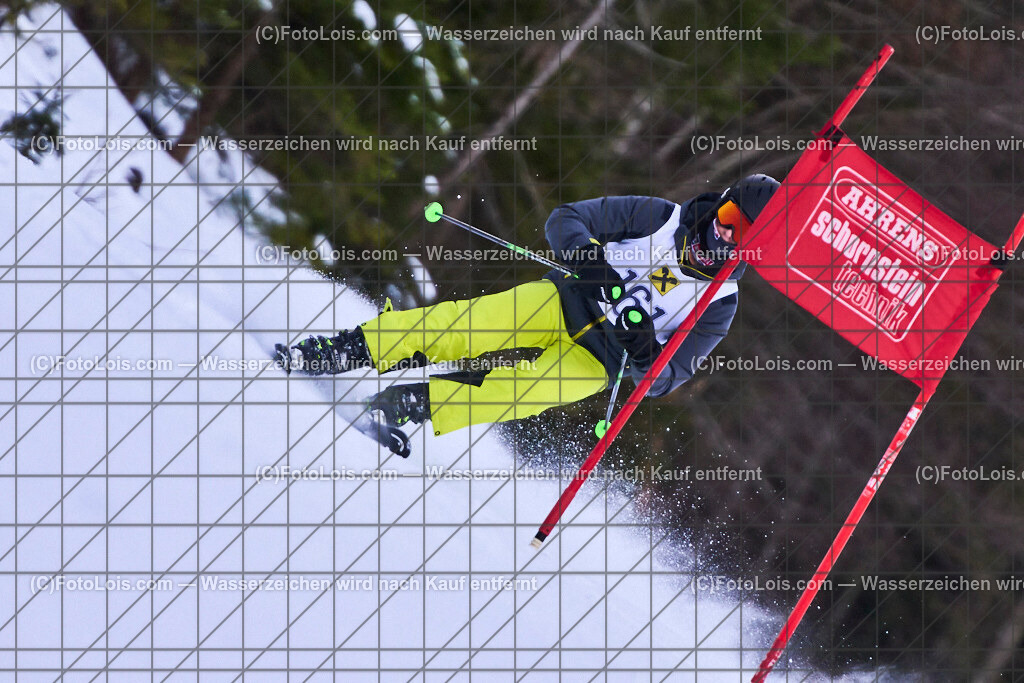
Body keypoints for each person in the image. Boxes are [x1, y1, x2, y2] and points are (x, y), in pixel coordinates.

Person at [276, 174, 780, 437]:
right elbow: (567, 219)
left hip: (599, 360)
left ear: (750, 250)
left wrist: (645, 345)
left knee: (517, 393)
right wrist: (587, 258)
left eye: (740, 231)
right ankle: (339, 351)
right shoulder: (660, 217)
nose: (723, 228)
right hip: (565, 298)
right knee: (464, 327)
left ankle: (404, 406)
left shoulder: (721, 304)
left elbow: (668, 379)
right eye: (729, 212)